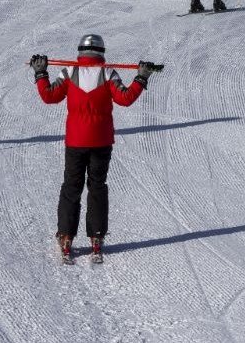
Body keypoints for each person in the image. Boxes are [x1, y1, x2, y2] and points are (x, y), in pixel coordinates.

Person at [30, 35, 157, 263]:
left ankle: (66, 234)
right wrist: (141, 77)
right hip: (101, 142)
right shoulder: (108, 73)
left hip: (76, 142)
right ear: (101, 52)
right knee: (97, 186)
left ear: (80, 51)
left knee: (72, 187)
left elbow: (49, 96)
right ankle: (96, 235)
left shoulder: (69, 72)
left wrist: (40, 73)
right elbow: (125, 98)